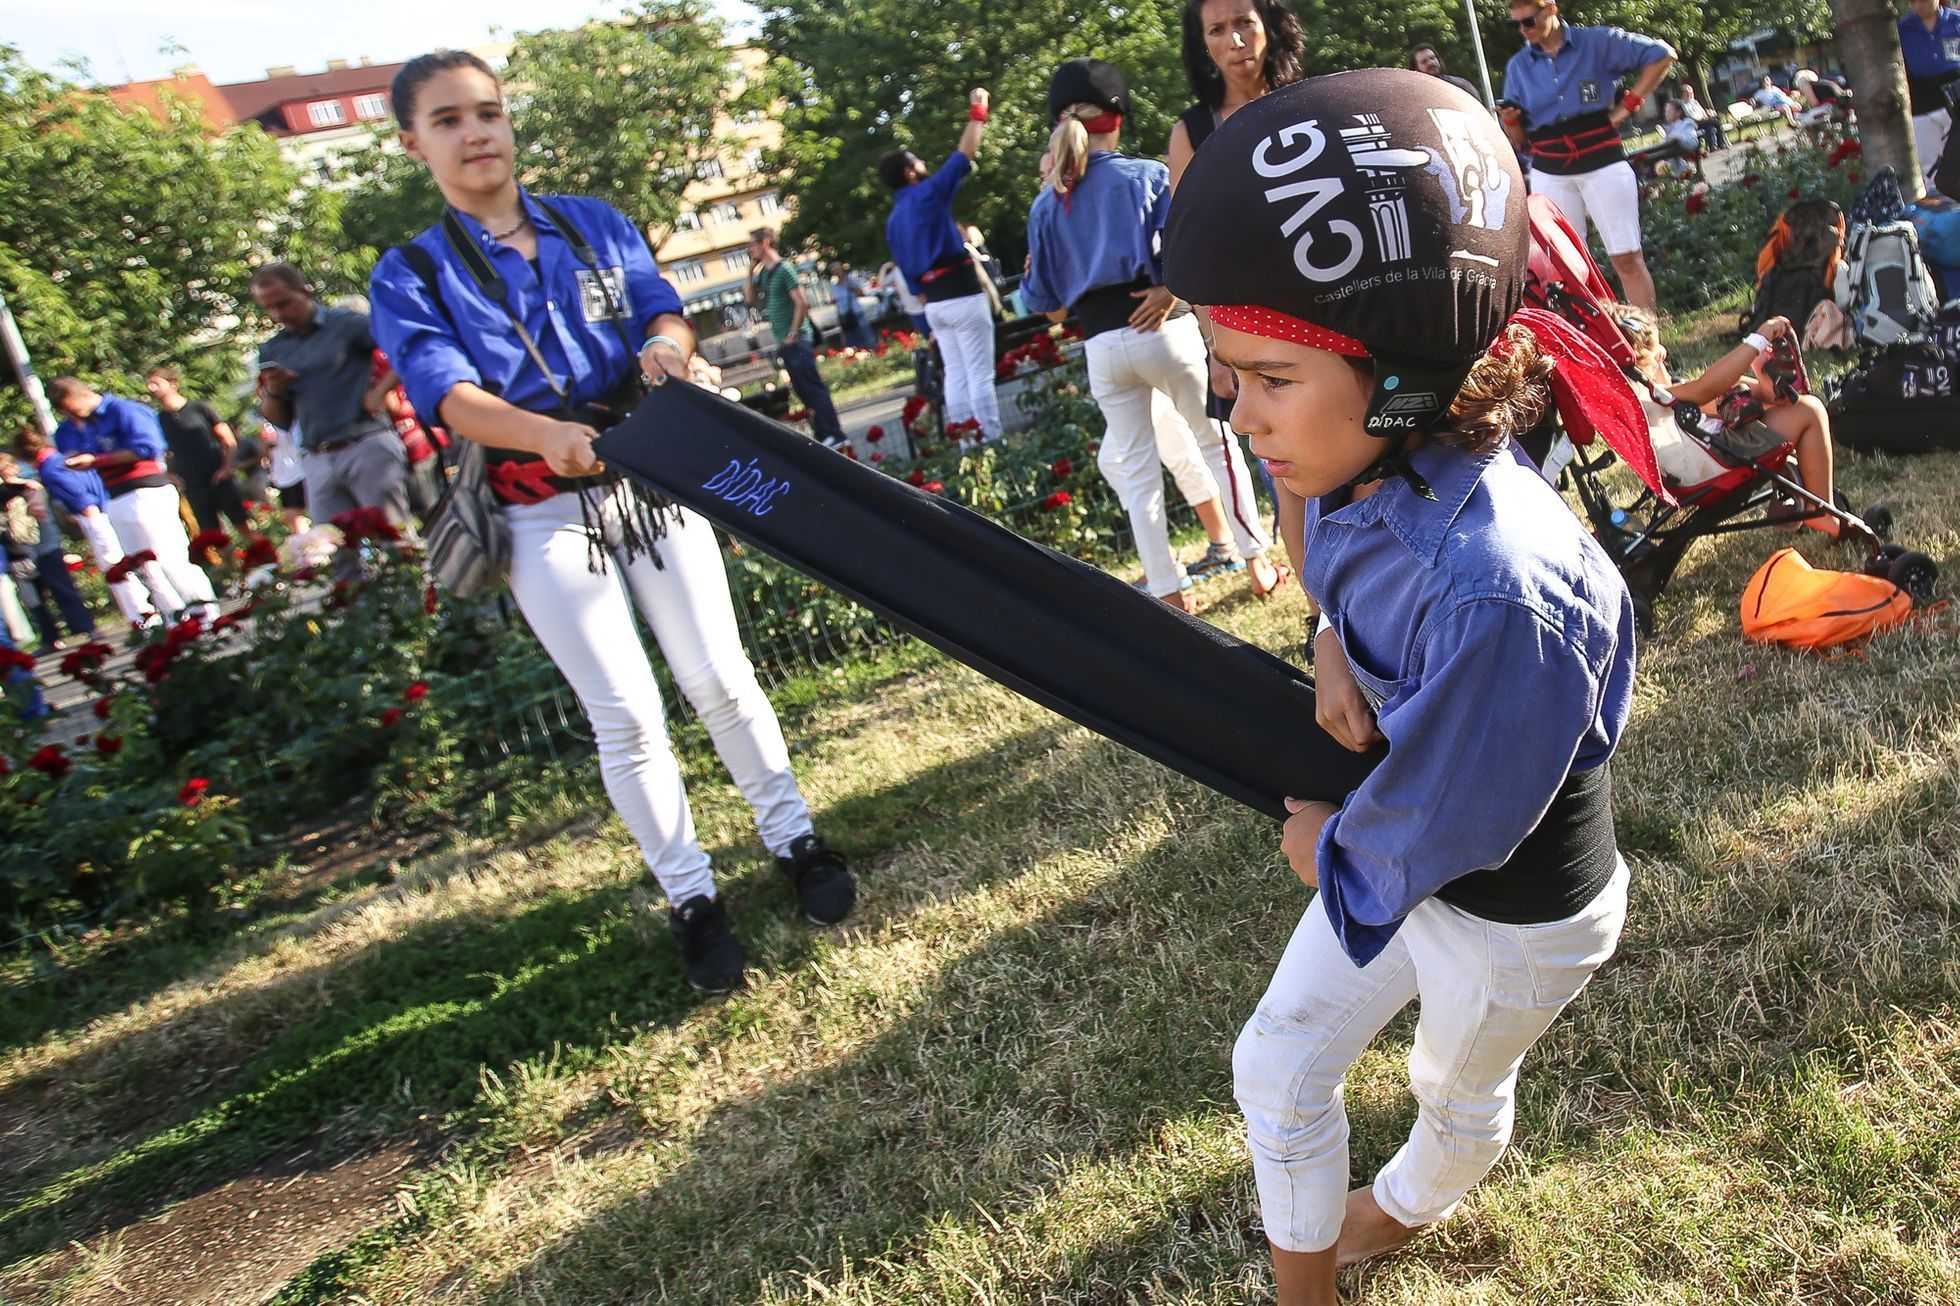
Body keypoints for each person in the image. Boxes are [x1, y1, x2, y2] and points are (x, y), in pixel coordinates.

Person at [1164, 68, 1636, 1304]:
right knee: (1275, 1065)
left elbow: (1457, 822)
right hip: (1394, 841)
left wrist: (1329, 854)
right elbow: (1337, 555)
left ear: (1403, 376)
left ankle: (1410, 1202)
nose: (1238, 410)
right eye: (1230, 374)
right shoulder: (1360, 461)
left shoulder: (1498, 590)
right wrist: (1326, 634)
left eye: (1269, 379)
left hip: (1510, 915)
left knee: (1456, 1091)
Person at [368, 49, 855, 994]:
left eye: (488, 112)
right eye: (448, 120)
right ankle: (692, 898)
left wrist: (666, 357)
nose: (476, 134)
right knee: (625, 714)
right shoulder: (411, 271)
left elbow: (663, 315)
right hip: (538, 503)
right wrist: (544, 435)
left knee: (719, 675)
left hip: (649, 477)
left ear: (508, 123)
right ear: (412, 142)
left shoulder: (591, 225)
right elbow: (445, 394)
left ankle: (797, 842)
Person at [1021, 59, 1290, 610]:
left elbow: (1043, 302)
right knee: (1216, 444)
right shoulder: (1146, 176)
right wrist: (1168, 292)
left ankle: (1167, 590)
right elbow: (1185, 253)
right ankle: (1257, 562)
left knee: (1138, 473)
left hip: (1100, 344)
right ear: (1116, 117)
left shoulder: (1047, 202)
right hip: (1163, 328)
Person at [1168, 0, 1314, 611]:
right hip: (1249, 325)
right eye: (1217, 30)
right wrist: (1216, 350)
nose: (1235, 40)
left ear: (1269, 25)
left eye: (1244, 23)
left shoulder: (1314, 101)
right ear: (1203, 44)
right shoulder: (1192, 133)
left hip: (1327, 305)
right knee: (1291, 475)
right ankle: (1322, 616)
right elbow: (1192, 256)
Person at [1499, 0, 1674, 313]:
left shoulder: (1597, 42)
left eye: (1528, 21)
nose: (1523, 31)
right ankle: (1597, 348)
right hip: (1550, 168)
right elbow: (1520, 140)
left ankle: (1651, 348)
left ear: (1550, 9)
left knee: (1626, 257)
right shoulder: (1517, 67)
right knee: (1566, 270)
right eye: (1515, 25)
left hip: (1601, 158)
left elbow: (1662, 55)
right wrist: (1511, 122)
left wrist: (1629, 105)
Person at [1616, 305, 1841, 528]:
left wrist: (1762, 388)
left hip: (1704, 452)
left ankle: (1772, 390)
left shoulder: (1641, 402)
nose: (1665, 355)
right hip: (1712, 461)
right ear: (1640, 362)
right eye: (1658, 355)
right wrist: (1758, 340)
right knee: (1810, 410)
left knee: (1734, 390)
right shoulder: (1647, 399)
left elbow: (1710, 395)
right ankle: (1821, 512)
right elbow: (1705, 389)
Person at [252, 261, 411, 575]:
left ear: (304, 291)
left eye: (283, 303)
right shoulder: (273, 348)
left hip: (365, 443)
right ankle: (362, 619)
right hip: (317, 456)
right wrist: (272, 391)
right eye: (269, 308)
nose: (279, 314)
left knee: (394, 540)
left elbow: (405, 347)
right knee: (337, 554)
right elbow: (279, 420)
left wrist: (380, 392)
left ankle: (421, 614)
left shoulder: (346, 324)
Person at [880, 87, 1002, 440]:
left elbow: (909, 277)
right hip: (962, 293)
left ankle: (967, 443)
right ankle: (993, 441)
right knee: (980, 374)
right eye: (917, 161)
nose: (923, 164)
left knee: (958, 376)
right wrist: (978, 110)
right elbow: (965, 154)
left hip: (934, 305)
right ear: (909, 173)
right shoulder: (927, 195)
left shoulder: (893, 220)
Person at [45, 377, 217, 623]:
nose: (72, 416)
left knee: (169, 556)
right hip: (113, 496)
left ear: (81, 395)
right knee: (142, 565)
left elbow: (150, 447)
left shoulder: (123, 410)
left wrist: (97, 460)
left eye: (72, 409)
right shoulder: (73, 427)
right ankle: (174, 620)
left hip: (147, 491)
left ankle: (205, 612)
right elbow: (67, 449)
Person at [14, 423, 158, 626]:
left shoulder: (50, 469)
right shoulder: (63, 458)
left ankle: (141, 615)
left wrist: (89, 519)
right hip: (106, 507)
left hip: (93, 515)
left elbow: (79, 496)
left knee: (115, 567)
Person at [745, 228, 849, 447]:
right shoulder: (766, 272)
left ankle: (834, 432)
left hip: (796, 338)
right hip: (784, 339)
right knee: (803, 390)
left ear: (765, 243)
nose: (749, 249)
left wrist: (793, 333)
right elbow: (749, 298)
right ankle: (824, 433)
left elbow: (802, 302)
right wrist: (750, 270)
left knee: (812, 386)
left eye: (752, 244)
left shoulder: (785, 269)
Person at [143, 366, 251, 539]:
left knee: (242, 525)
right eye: (149, 384)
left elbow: (227, 439)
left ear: (173, 384)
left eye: (156, 383)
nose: (151, 388)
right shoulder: (159, 420)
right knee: (212, 535)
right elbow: (160, 452)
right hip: (193, 485)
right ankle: (227, 565)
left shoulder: (199, 408)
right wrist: (169, 474)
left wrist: (227, 467)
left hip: (219, 478)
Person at [0, 453, 94, 649]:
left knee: (62, 588)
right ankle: (50, 639)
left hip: (44, 546)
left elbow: (39, 506)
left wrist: (17, 484)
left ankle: (85, 628)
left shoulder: (30, 485)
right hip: (18, 552)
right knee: (34, 600)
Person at [1899, 0, 1960, 194]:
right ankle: (1941, 216)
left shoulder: (1956, 23)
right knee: (1930, 167)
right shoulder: (1902, 30)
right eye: (1912, 1)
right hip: (1922, 108)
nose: (1918, 6)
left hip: (1956, 103)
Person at [1408, 43, 1482, 101]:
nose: (1431, 63)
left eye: (1432, 58)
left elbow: (1481, 111)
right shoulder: (1415, 96)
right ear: (1416, 68)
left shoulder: (1461, 85)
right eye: (1424, 61)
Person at [827, 263, 875, 350]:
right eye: (834, 271)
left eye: (838, 270)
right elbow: (835, 301)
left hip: (856, 312)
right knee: (850, 340)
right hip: (844, 315)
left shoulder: (851, 281)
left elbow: (862, 293)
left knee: (866, 335)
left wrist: (852, 288)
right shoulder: (834, 286)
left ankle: (872, 349)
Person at [1677, 82, 1726, 151]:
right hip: (1694, 124)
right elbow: (1690, 116)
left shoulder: (1695, 102)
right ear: (1683, 94)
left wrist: (1707, 115)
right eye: (1688, 93)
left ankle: (1720, 145)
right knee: (1712, 124)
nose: (1690, 94)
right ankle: (1715, 146)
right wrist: (1702, 118)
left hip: (1703, 121)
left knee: (1714, 124)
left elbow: (1702, 111)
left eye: (1691, 92)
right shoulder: (1683, 105)